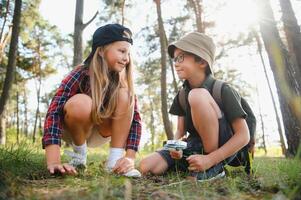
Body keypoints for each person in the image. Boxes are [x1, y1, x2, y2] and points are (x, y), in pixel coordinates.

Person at [139, 32, 250, 181]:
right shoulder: (182, 95)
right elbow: (180, 130)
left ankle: (213, 168)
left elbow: (243, 136)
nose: (176, 63)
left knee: (197, 95)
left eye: (180, 58)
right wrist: (175, 148)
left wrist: (210, 159)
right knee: (147, 166)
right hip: (193, 145)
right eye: (174, 59)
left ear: (202, 62)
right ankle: (190, 163)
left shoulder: (223, 90)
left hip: (219, 149)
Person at [42, 23, 142, 177]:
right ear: (101, 51)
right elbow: (54, 112)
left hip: (104, 131)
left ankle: (115, 164)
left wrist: (129, 158)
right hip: (75, 129)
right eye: (122, 51)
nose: (126, 59)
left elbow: (135, 121)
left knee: (125, 94)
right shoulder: (80, 73)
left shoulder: (123, 82)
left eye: (128, 53)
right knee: (82, 102)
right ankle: (79, 158)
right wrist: (54, 160)